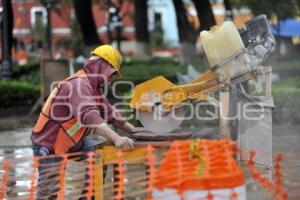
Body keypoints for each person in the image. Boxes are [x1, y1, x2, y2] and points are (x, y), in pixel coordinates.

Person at [31, 45, 137, 198]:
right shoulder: (79, 84)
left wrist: (134, 131)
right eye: (111, 73)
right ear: (101, 67)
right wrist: (117, 138)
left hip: (71, 140)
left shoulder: (94, 88)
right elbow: (90, 118)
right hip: (50, 144)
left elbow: (110, 113)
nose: (111, 78)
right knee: (49, 192)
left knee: (99, 157)